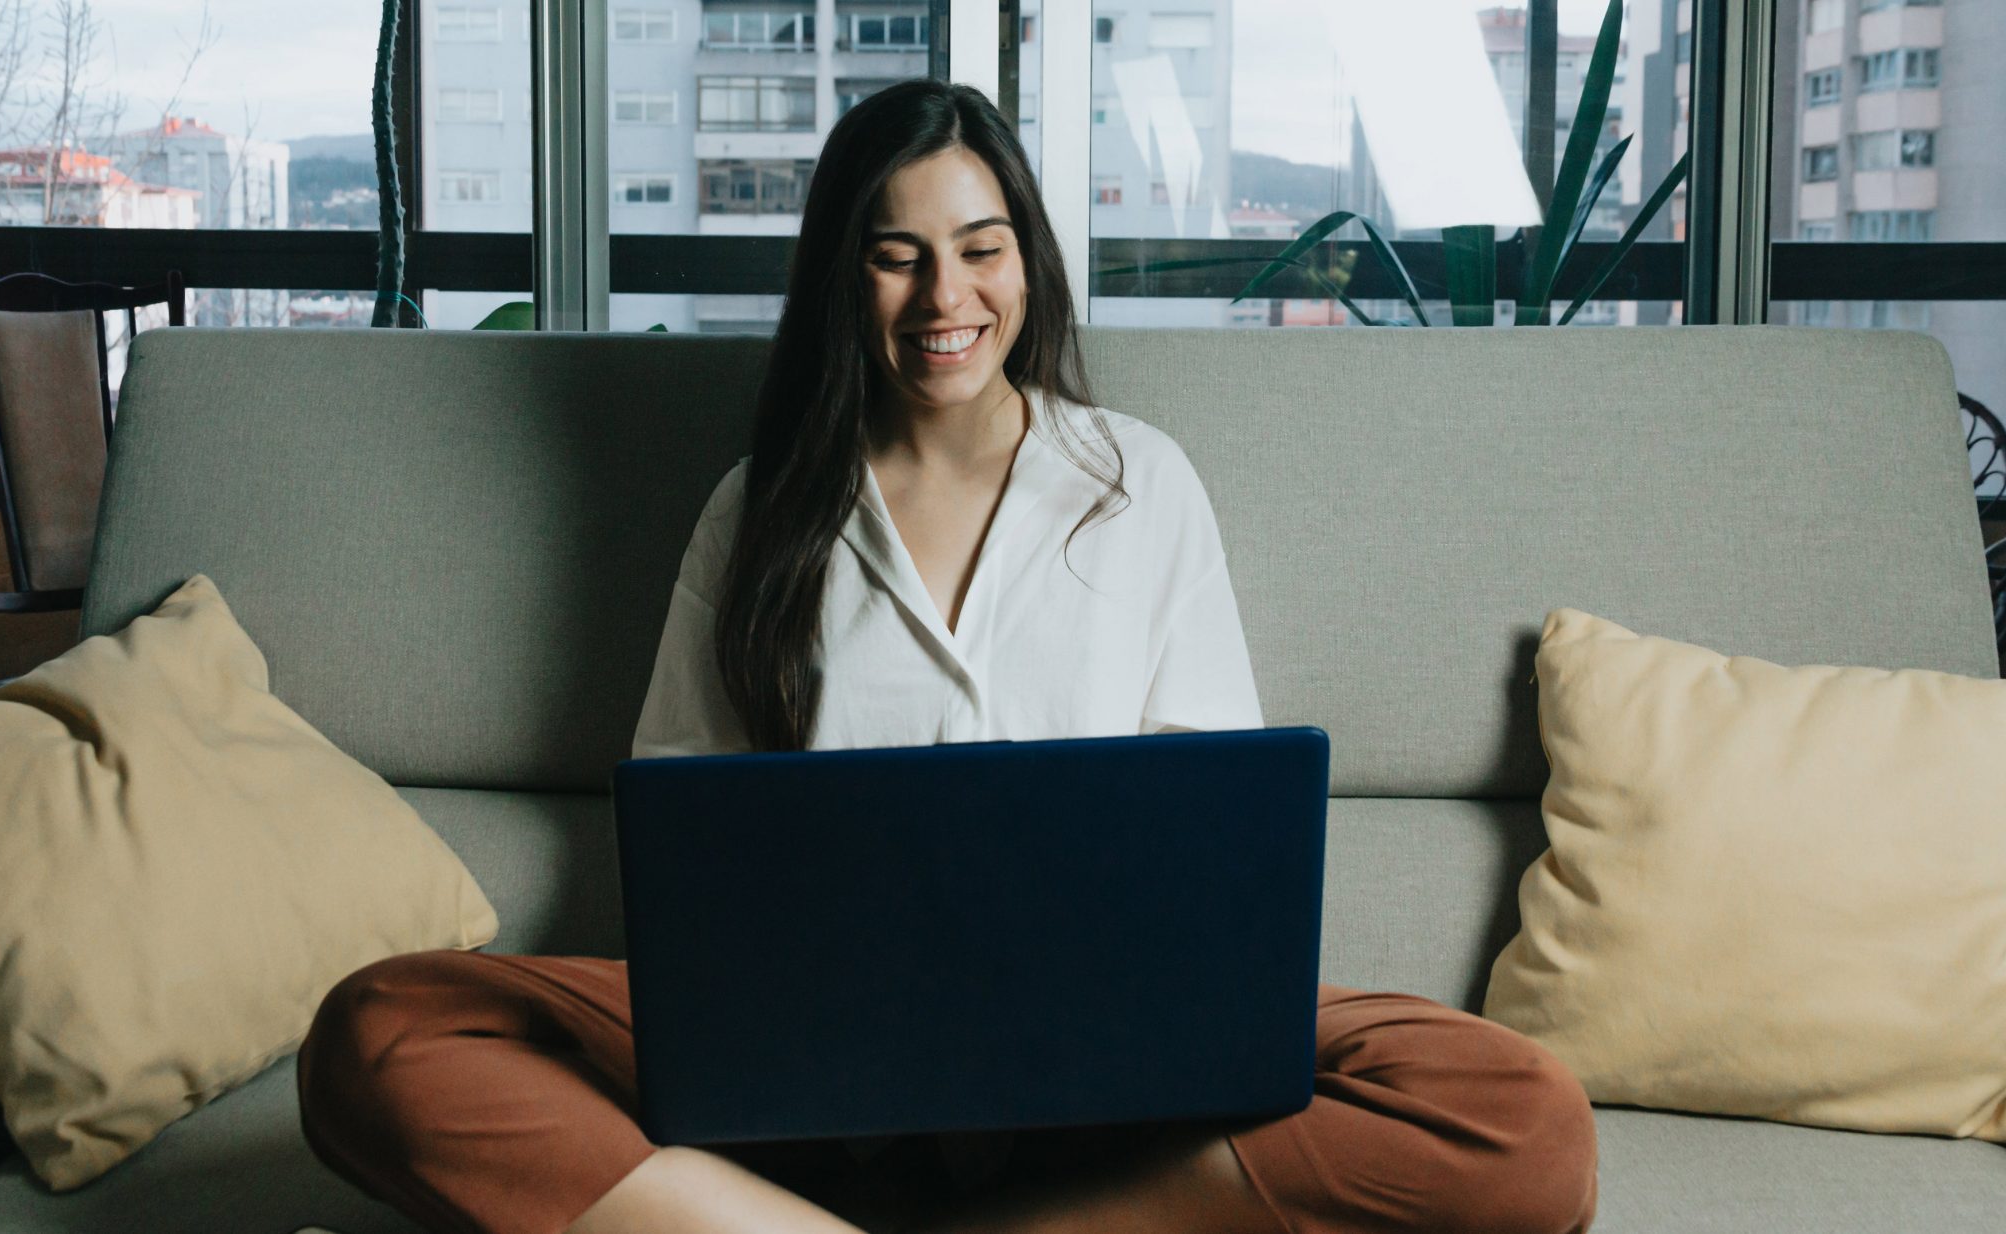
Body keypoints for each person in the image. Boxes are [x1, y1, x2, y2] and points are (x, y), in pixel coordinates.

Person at [296, 80, 1598, 1234]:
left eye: (981, 249)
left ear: (1027, 260)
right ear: (841, 276)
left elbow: (1210, 838)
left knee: (1520, 1117)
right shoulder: (761, 510)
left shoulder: (1139, 483)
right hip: (814, 1061)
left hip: (1108, 1053)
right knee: (381, 1031)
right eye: (897, 258)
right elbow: (687, 841)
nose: (946, 298)